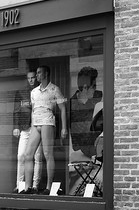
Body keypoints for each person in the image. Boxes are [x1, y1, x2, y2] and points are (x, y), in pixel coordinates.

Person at [20, 66, 67, 195]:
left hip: (47, 121)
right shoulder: (34, 92)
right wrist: (31, 125)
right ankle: (27, 187)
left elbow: (63, 108)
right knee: (27, 155)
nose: (37, 75)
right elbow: (33, 109)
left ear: (46, 74)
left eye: (39, 73)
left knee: (48, 154)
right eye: (37, 73)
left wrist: (64, 127)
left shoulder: (54, 89)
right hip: (36, 123)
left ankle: (48, 187)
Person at [68, 66, 103, 195]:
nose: (96, 89)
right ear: (84, 88)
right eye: (93, 86)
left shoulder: (99, 96)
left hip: (98, 144)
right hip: (86, 148)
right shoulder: (72, 104)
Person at [12, 71, 43, 193]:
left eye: (33, 78)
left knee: (37, 157)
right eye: (29, 78)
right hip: (25, 127)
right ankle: (19, 185)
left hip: (37, 127)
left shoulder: (41, 91)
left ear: (37, 78)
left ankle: (35, 185)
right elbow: (16, 110)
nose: (31, 80)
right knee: (21, 156)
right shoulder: (21, 92)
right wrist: (16, 126)